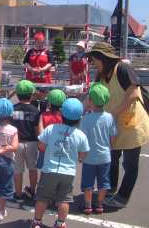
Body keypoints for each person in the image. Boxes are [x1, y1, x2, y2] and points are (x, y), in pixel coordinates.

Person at [86, 42, 149, 208]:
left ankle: (123, 197)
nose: (93, 64)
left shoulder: (122, 69)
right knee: (111, 159)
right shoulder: (100, 75)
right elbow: (93, 97)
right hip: (112, 126)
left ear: (104, 58)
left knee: (130, 164)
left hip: (132, 124)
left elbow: (134, 94)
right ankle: (111, 188)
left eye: (94, 60)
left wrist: (112, 113)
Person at [31, 98, 90, 228]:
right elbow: (83, 154)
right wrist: (78, 158)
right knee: (64, 200)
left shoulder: (51, 128)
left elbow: (41, 146)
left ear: (62, 114)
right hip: (68, 172)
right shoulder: (80, 135)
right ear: (80, 118)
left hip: (49, 169)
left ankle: (37, 222)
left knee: (43, 198)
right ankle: (60, 223)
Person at [80, 83, 117, 215]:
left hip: (89, 157)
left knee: (88, 183)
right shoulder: (110, 117)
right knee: (104, 183)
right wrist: (109, 148)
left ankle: (88, 205)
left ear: (90, 101)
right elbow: (113, 138)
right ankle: (100, 204)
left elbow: (82, 140)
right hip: (105, 156)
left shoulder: (85, 119)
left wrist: (81, 155)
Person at [11, 80, 40, 201]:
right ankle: (33, 191)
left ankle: (18, 193)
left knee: (17, 169)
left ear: (17, 94)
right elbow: (37, 129)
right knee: (32, 168)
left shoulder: (13, 109)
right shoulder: (35, 111)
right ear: (32, 94)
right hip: (32, 142)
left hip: (16, 142)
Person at [36, 89, 66, 169]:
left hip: (45, 148)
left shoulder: (43, 115)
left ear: (49, 102)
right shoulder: (65, 117)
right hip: (59, 147)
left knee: (45, 170)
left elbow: (40, 133)